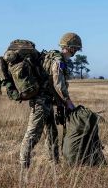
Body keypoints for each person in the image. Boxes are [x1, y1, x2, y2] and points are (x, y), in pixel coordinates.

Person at [19, 33, 80, 169]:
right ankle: (23, 167)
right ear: (69, 47)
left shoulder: (56, 58)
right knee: (33, 134)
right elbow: (58, 83)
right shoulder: (58, 61)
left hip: (47, 102)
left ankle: (54, 164)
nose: (75, 52)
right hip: (41, 102)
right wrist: (67, 101)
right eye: (75, 49)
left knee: (51, 133)